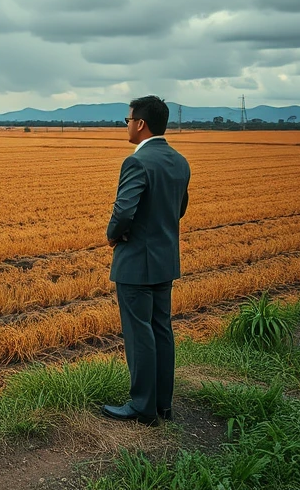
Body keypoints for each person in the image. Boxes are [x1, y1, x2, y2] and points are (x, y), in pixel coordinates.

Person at [101, 95, 190, 426]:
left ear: (140, 123)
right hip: (165, 259)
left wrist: (113, 234)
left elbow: (124, 210)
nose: (126, 126)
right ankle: (162, 405)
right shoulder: (179, 161)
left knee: (139, 335)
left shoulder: (136, 162)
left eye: (127, 121)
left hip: (137, 261)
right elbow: (178, 209)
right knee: (161, 330)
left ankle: (141, 406)